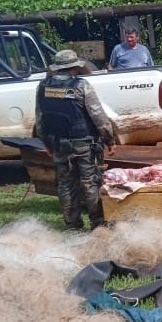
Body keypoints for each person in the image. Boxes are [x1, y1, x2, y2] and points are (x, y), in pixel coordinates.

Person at [35, 49, 116, 231]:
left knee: (65, 183)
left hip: (59, 144)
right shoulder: (82, 86)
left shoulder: (43, 87)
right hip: (84, 144)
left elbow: (40, 119)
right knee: (90, 182)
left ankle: (72, 225)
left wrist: (47, 143)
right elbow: (99, 118)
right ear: (74, 68)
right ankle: (97, 224)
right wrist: (110, 140)